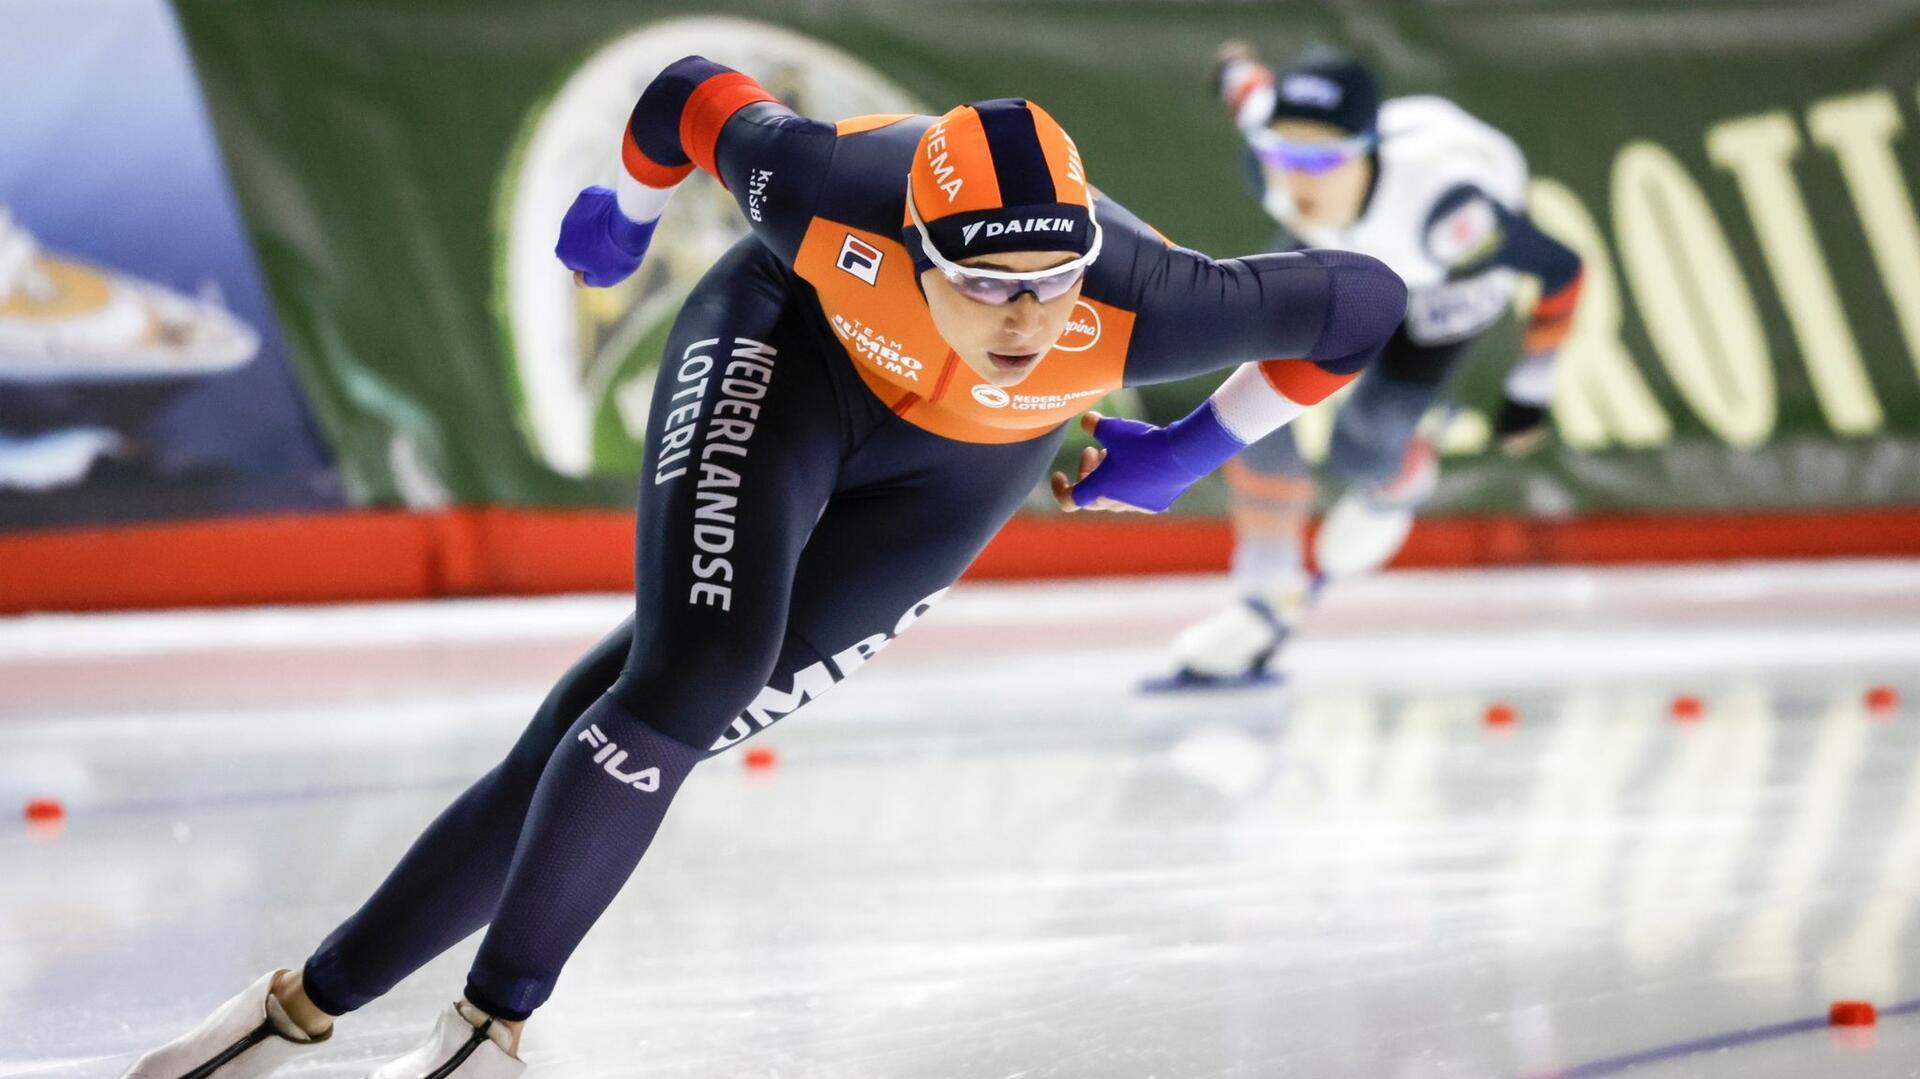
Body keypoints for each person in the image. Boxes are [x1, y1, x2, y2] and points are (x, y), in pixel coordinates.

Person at [123, 54, 1405, 1079]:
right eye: (985, 283)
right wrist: (624, 217)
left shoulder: (1157, 299)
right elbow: (687, 93)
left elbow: (1362, 303)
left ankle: (301, 1006)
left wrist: (1192, 443)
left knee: (622, 730)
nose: (1026, 320)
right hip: (786, 354)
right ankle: (483, 1029)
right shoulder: (828, 188)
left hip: (966, 464)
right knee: (695, 671)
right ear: (910, 243)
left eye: (1051, 282)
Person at [1152, 44, 1587, 689]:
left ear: (1366, 149)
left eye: (1322, 159)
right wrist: (1232, 63)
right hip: (1334, 241)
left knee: (1366, 446)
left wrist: (1530, 387)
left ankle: (1406, 460)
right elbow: (1250, 92)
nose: (1298, 178)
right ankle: (1265, 592)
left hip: (1443, 279)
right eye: (1282, 154)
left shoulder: (1454, 218)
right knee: (1253, 397)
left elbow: (1563, 270)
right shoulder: (1272, 155)